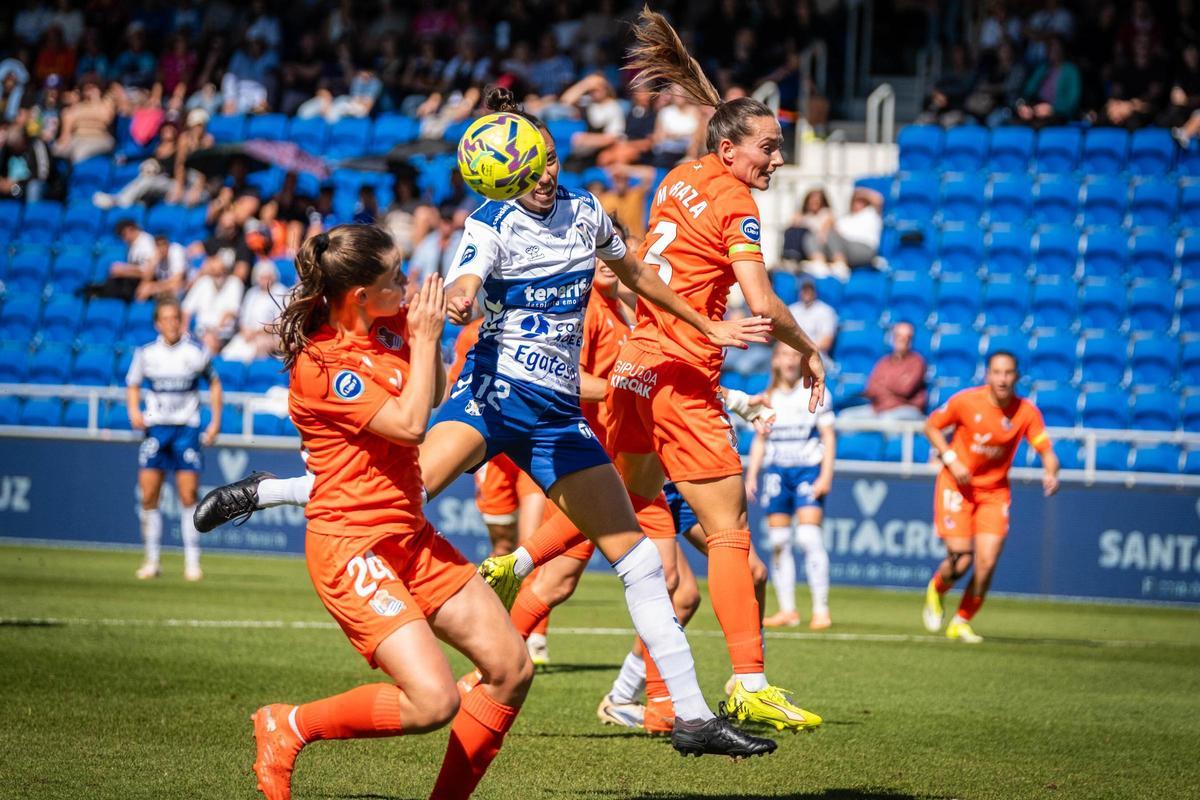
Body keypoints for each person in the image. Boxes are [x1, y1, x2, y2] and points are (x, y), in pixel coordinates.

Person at [196, 88, 777, 759]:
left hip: (557, 419)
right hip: (491, 402)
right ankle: (268, 490)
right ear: (503, 180)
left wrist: (708, 323)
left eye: (551, 161)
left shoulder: (588, 213)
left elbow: (637, 275)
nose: (546, 176)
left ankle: (694, 720)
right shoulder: (488, 225)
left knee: (644, 564)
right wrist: (462, 295)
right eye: (530, 172)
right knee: (398, 491)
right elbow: (467, 279)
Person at [252, 225, 534, 800]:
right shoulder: (323, 364)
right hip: (352, 546)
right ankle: (289, 725)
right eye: (396, 278)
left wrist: (436, 317)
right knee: (434, 700)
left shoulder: (389, 330)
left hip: (408, 536)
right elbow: (411, 426)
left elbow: (427, 396)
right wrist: (426, 337)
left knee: (511, 669)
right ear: (358, 295)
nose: (406, 284)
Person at [602, 8, 826, 733]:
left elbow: (648, 268)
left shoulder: (680, 174)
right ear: (730, 148)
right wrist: (808, 348)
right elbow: (760, 305)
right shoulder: (735, 201)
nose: (778, 160)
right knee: (730, 534)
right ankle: (749, 681)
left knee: (643, 523)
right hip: (680, 378)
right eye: (769, 147)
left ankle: (650, 690)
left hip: (632, 372)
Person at [921, 351, 1060, 644]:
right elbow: (931, 425)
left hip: (994, 493)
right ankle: (937, 588)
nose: (1003, 379)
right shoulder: (966, 401)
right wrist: (949, 457)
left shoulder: (1025, 412)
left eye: (1008, 373)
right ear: (988, 375)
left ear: (1017, 377)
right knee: (961, 561)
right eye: (997, 372)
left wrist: (1051, 472)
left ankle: (961, 621)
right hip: (957, 485)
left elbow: (1045, 449)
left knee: (986, 563)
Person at [126, 296, 221, 582]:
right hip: (156, 429)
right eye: (166, 319)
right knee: (149, 494)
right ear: (157, 323)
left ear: (182, 321)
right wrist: (133, 410)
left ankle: (192, 562)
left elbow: (214, 383)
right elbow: (132, 383)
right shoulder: (146, 354)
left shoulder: (195, 352)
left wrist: (215, 422)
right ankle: (152, 560)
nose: (172, 323)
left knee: (188, 495)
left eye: (176, 318)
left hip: (186, 430)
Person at [745, 345, 836, 630]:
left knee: (809, 538)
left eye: (792, 355)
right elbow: (760, 440)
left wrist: (826, 475)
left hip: (808, 470)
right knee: (779, 542)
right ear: (775, 361)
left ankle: (821, 609)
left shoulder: (816, 393)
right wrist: (752, 475)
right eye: (782, 355)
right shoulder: (767, 398)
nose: (788, 361)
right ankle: (788, 610)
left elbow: (829, 436)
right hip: (777, 473)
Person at [841, 321, 927, 420]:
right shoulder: (883, 362)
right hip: (879, 408)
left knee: (886, 420)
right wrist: (895, 383)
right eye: (898, 336)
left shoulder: (917, 362)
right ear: (892, 338)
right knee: (845, 416)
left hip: (906, 408)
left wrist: (883, 384)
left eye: (907, 337)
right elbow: (871, 388)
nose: (903, 340)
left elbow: (904, 389)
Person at [787, 279, 838, 357]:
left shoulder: (826, 311)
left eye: (809, 289)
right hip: (792, 354)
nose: (807, 292)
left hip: (817, 354)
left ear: (815, 291)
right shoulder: (791, 309)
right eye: (804, 289)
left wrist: (805, 351)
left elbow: (826, 342)